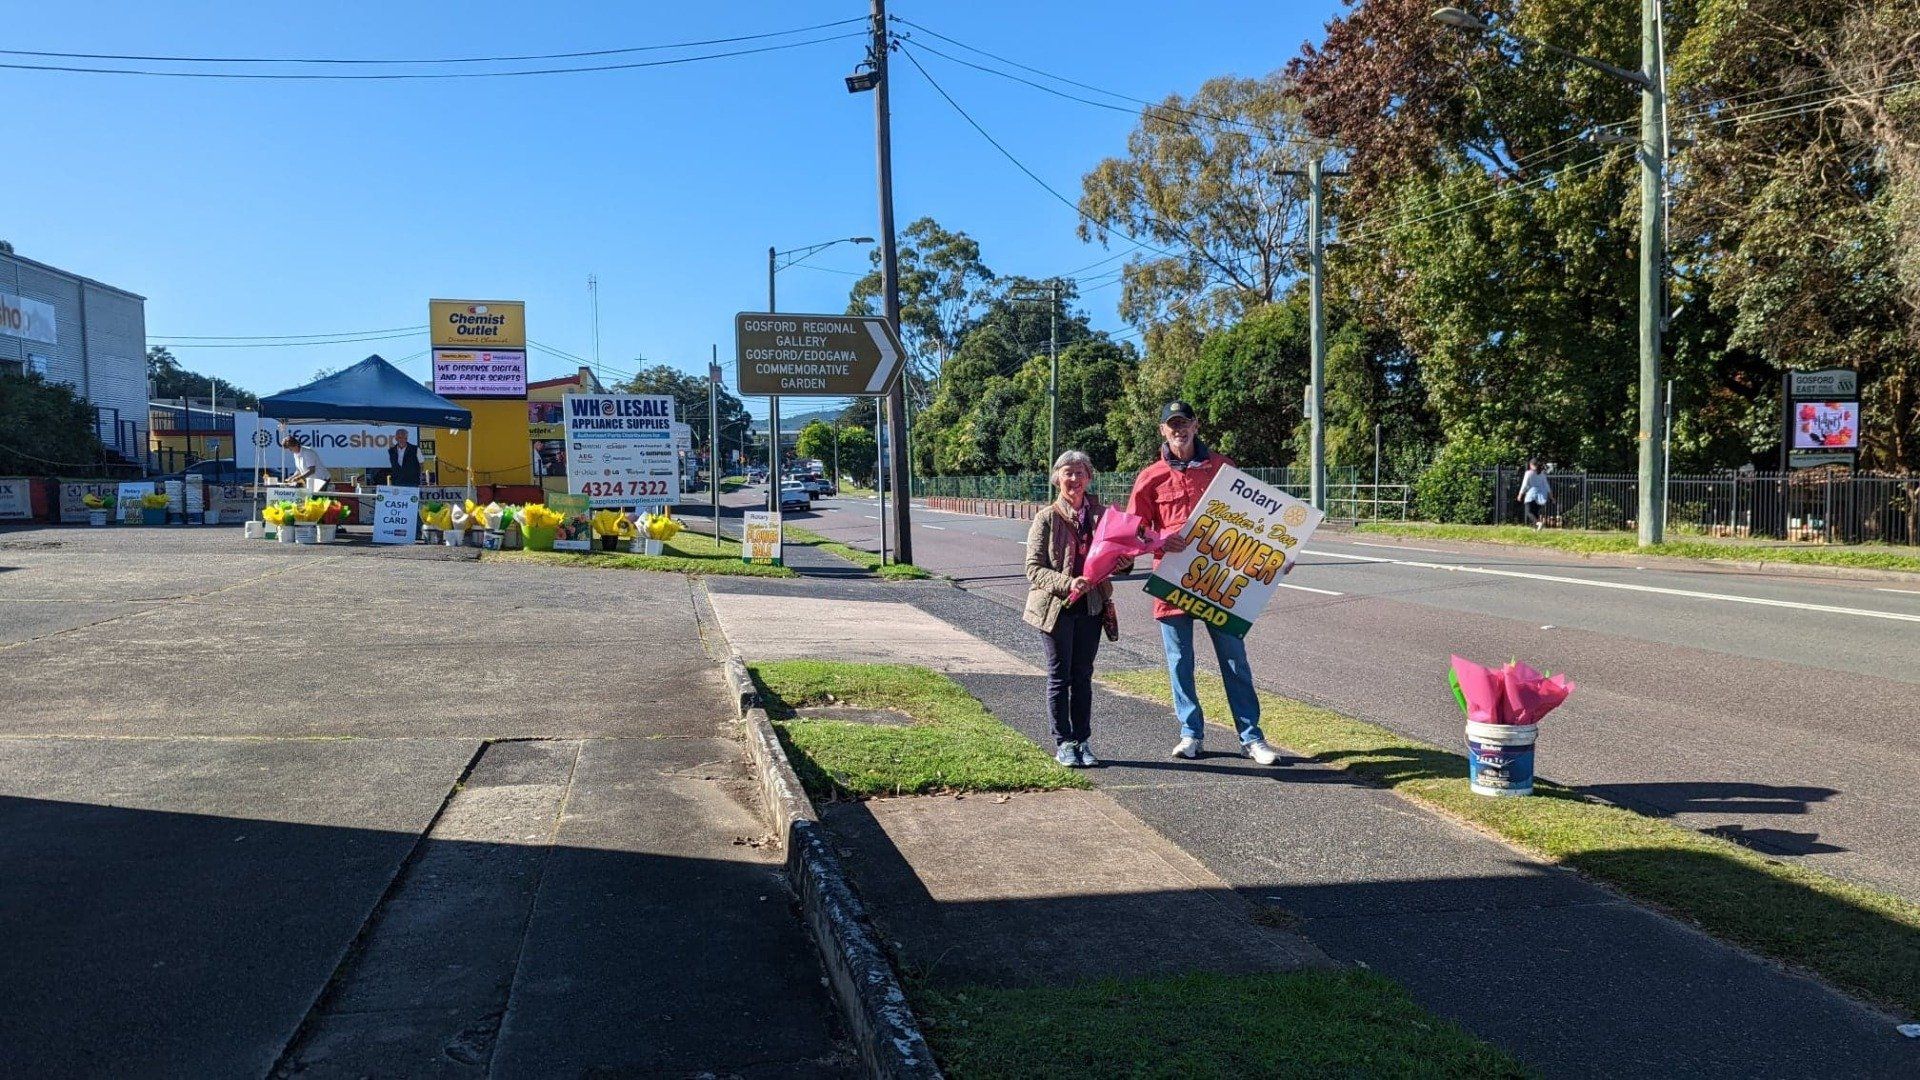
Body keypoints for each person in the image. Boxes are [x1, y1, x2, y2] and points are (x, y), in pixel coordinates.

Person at [1128, 401, 1285, 765]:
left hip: (1220, 582)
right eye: (1172, 424)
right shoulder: (1150, 477)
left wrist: (1277, 556)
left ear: (1196, 425)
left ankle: (1251, 738)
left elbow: (1254, 522)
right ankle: (1190, 734)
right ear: (1162, 431)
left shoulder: (1223, 468)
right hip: (1172, 583)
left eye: (1184, 423)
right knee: (1180, 661)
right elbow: (1134, 532)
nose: (1179, 430)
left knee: (1234, 662)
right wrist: (1160, 540)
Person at [1024, 450, 1113, 768]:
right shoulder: (1046, 517)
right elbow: (1033, 568)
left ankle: (1083, 741)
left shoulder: (1103, 515)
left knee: (1083, 676)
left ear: (1089, 476)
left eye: (1080, 472)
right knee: (1060, 676)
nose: (1074, 479)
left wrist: (1126, 559)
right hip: (1056, 608)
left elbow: (1117, 559)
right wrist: (1067, 582)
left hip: (1091, 606)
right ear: (1057, 478)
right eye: (1068, 473)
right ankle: (1064, 742)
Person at [1518, 458, 1552, 529]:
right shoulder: (1542, 473)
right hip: (1541, 495)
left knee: (1529, 512)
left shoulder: (1528, 473)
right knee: (1535, 513)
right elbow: (1546, 485)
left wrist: (1520, 494)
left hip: (1531, 494)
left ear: (1531, 465)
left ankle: (1538, 523)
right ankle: (1536, 529)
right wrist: (1551, 496)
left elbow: (1524, 485)